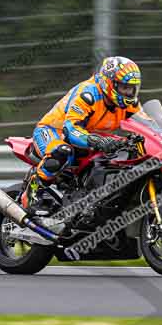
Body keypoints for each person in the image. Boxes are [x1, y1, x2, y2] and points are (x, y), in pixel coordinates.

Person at [23, 56, 142, 210]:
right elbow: (70, 130)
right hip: (53, 131)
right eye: (124, 87)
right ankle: (32, 193)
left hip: (89, 137)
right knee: (63, 152)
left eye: (132, 88)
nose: (128, 93)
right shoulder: (88, 95)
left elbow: (148, 124)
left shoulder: (129, 103)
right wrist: (97, 141)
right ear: (109, 83)